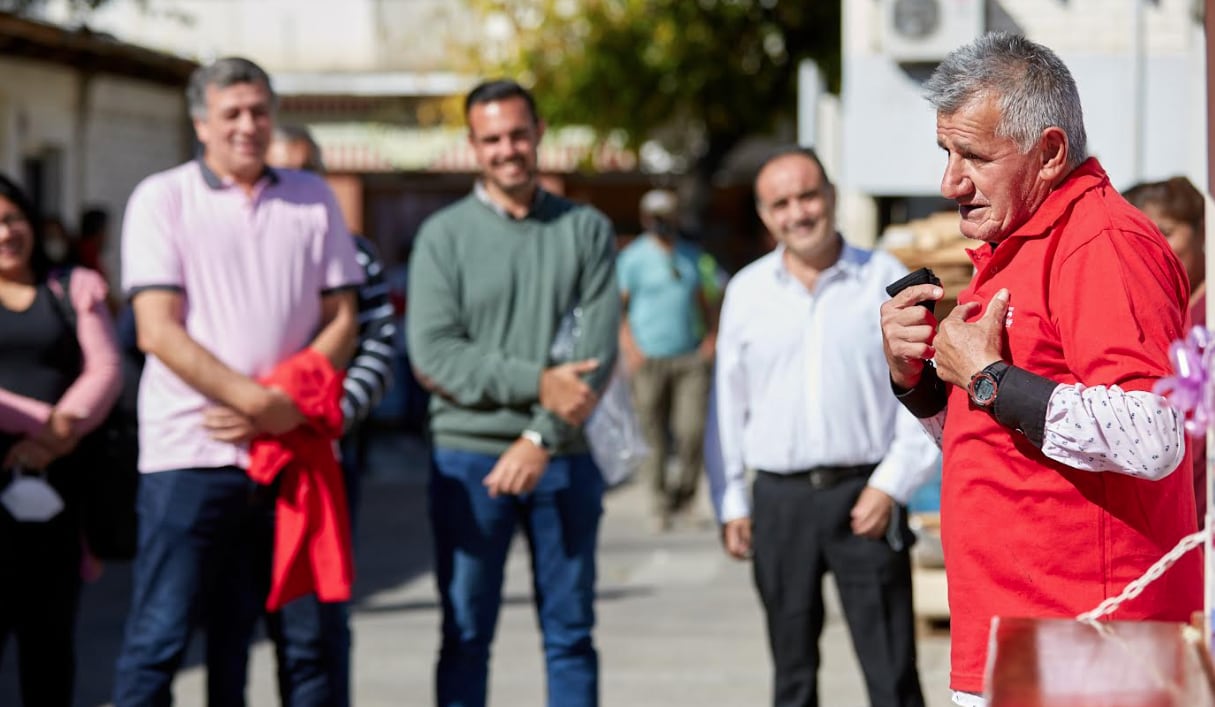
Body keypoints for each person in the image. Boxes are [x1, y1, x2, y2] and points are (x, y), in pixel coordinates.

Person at [879, 33, 1201, 707]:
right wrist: (918, 379)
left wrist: (990, 378)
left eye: (973, 155)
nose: (949, 182)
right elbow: (998, 445)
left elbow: (1154, 434)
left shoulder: (1101, 243)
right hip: (1021, 636)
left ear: (1050, 152)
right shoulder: (1015, 242)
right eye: (945, 152)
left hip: (1089, 642)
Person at [113, 57, 364, 706]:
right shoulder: (162, 197)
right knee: (159, 641)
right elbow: (155, 330)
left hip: (294, 454)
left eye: (258, 110)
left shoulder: (312, 196)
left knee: (309, 643)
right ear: (201, 123)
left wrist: (285, 405)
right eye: (231, 113)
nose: (248, 125)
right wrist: (255, 402)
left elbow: (344, 318)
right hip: (191, 457)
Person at [407, 78, 618, 707]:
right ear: (473, 146)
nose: (508, 150)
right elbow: (434, 354)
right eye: (492, 138)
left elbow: (597, 356)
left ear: (539, 133)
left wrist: (537, 439)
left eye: (517, 134)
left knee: (571, 635)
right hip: (466, 459)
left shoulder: (586, 230)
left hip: (563, 458)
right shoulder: (442, 238)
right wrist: (535, 383)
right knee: (466, 635)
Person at [707, 148, 937, 707]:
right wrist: (732, 500)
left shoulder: (883, 279)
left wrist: (891, 485)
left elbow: (924, 391)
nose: (798, 213)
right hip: (780, 503)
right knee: (792, 673)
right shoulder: (746, 292)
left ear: (832, 196)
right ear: (765, 216)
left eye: (807, 196)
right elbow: (726, 407)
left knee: (892, 674)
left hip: (865, 496)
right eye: (780, 203)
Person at [264, 123, 395, 707]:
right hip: (238, 454)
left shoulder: (353, 252)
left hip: (325, 453)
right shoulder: (237, 244)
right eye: (282, 171)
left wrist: (330, 414)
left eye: (306, 170)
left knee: (318, 619)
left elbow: (376, 340)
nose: (296, 183)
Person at [0, 175, 121, 706]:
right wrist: (45, 425)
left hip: (58, 492)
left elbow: (107, 368)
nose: (4, 232)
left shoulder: (69, 289)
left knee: (50, 643)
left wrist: (58, 435)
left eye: (11, 218)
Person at [618, 188, 717, 529]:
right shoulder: (632, 259)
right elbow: (620, 308)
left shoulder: (691, 256)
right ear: (647, 219)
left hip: (688, 357)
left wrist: (710, 339)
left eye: (668, 217)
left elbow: (708, 300)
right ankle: (658, 502)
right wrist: (631, 349)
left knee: (690, 431)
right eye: (656, 218)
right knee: (653, 435)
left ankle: (685, 498)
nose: (663, 224)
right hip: (649, 359)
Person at [1123, 176, 1207, 524]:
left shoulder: (1207, 315)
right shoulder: (1150, 312)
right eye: (1144, 237)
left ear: (1202, 232)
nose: (1156, 248)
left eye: (1167, 232)